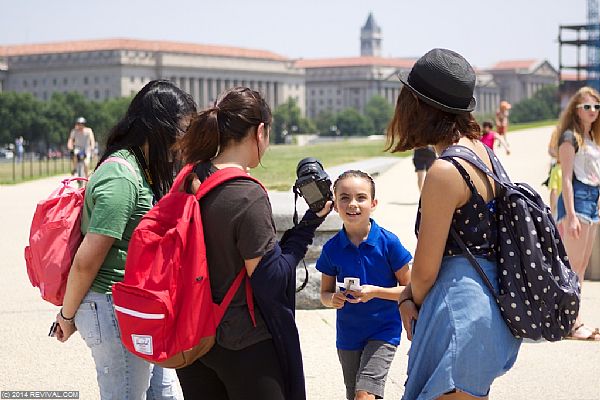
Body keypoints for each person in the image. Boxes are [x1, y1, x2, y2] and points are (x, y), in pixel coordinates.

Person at [173, 86, 332, 400]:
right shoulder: (246, 194)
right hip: (243, 342)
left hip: (193, 338)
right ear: (260, 131)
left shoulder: (188, 176)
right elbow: (271, 279)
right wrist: (306, 229)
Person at [386, 48, 521, 400]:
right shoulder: (482, 153)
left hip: (458, 311)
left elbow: (426, 268)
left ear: (419, 106)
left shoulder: (445, 171)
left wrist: (406, 298)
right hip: (491, 308)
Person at [53, 80, 197, 399]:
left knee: (163, 395)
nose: (185, 140)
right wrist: (66, 315)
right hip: (111, 307)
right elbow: (87, 260)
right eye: (184, 129)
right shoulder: (121, 178)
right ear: (160, 127)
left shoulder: (144, 169)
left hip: (135, 306)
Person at [316, 170, 412, 400]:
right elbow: (324, 294)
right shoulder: (331, 249)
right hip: (348, 336)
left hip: (384, 332)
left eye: (361, 197)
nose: (353, 204)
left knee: (364, 395)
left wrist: (376, 292)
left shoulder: (389, 243)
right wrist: (333, 299)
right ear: (335, 205)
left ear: (373, 203)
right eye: (344, 198)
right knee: (355, 395)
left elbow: (410, 289)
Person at [555, 86, 600, 341]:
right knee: (572, 267)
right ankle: (571, 322)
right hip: (577, 201)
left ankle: (576, 318)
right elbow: (567, 180)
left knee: (581, 266)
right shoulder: (570, 138)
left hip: (592, 201)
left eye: (596, 106)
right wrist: (570, 214)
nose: (592, 111)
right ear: (576, 109)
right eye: (587, 106)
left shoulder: (593, 138)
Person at [544, 128, 562, 217]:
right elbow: (551, 150)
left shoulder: (556, 171)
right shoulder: (557, 132)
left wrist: (552, 209)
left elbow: (553, 192)